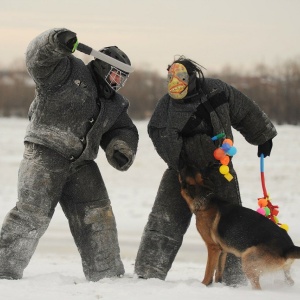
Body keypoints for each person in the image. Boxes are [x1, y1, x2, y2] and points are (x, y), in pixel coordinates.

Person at [0, 28, 139, 281]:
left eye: (123, 79)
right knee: (33, 214)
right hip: (46, 152)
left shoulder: (115, 104)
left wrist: (120, 148)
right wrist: (54, 40)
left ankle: (107, 276)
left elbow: (124, 129)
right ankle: (2, 271)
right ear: (103, 67)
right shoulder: (68, 71)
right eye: (117, 75)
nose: (118, 83)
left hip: (82, 163)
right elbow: (36, 59)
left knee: (98, 216)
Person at [134, 56, 276, 286]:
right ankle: (146, 275)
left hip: (220, 170)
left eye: (179, 78)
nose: (174, 83)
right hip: (182, 173)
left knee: (233, 226)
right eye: (170, 78)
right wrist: (185, 157)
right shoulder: (164, 107)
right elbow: (158, 135)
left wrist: (263, 136)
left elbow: (245, 111)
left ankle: (234, 280)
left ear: (190, 78)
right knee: (164, 222)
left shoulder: (217, 91)